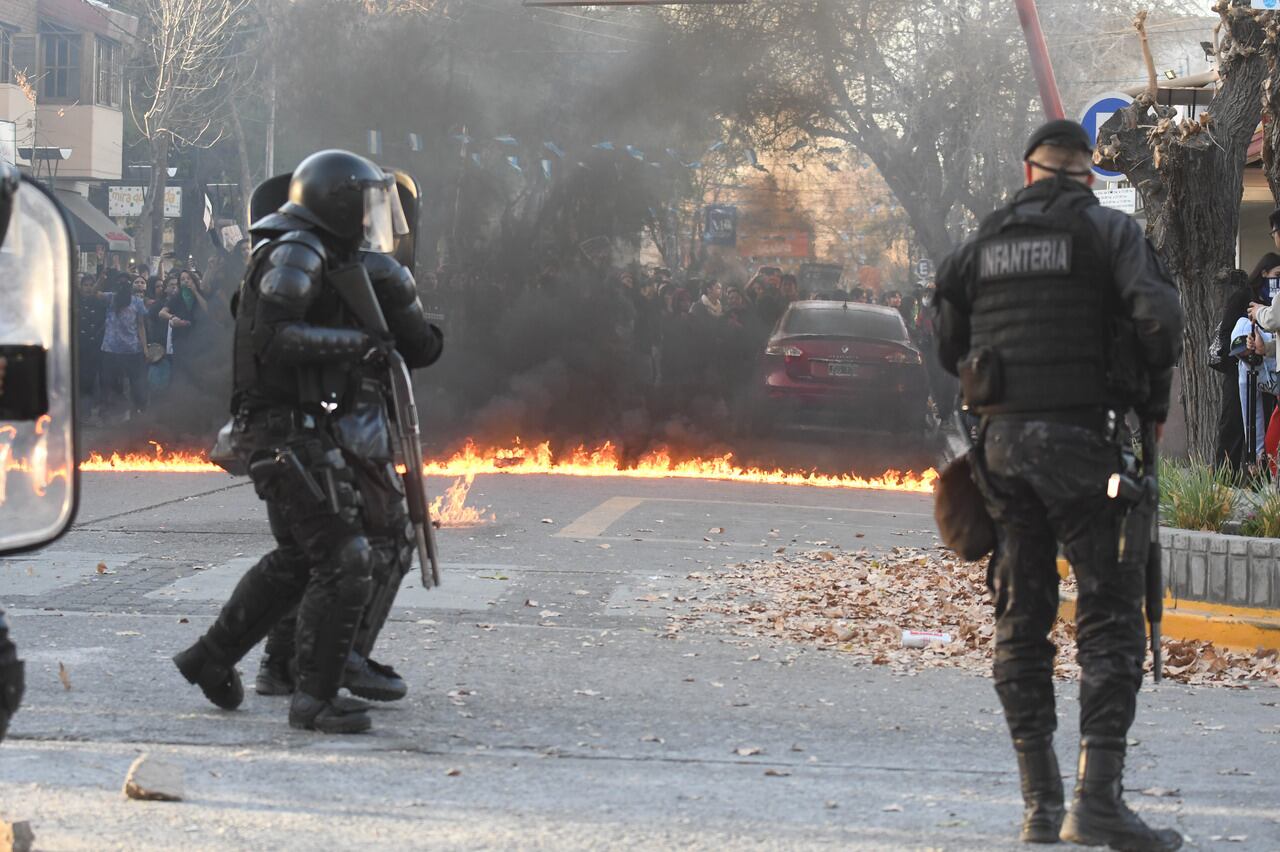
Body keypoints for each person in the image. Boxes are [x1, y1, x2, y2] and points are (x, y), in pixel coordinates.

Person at [933, 119, 1184, 850]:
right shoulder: (1108, 234)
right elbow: (1160, 318)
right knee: (1108, 619)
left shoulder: (981, 243)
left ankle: (1040, 805)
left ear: (1028, 172)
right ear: (1089, 173)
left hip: (1003, 452)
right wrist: (1150, 398)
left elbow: (948, 339)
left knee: (1021, 620)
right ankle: (1095, 799)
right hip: (1084, 445)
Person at [172, 150, 443, 734]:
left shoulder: (322, 251)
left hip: (301, 429)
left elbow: (414, 344)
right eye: (366, 207)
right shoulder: (296, 249)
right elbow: (274, 336)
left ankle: (211, 657)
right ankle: (314, 697)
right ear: (338, 204)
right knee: (344, 557)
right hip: (284, 431)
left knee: (300, 561)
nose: (375, 221)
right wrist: (360, 347)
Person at [98, 278, 150, 420]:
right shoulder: (111, 298)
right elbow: (95, 293)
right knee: (108, 383)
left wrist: (145, 347)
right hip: (110, 349)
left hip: (132, 349)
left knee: (136, 383)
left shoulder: (137, 302)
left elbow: (140, 325)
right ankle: (108, 413)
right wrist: (102, 277)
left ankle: (138, 412)